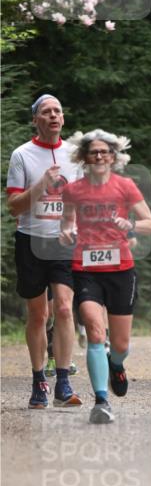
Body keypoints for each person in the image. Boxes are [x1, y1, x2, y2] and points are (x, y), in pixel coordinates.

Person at [60, 129, 151, 424]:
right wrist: (67, 234)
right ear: (85, 158)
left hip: (121, 270)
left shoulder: (125, 187)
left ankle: (116, 365)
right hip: (86, 269)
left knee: (121, 345)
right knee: (93, 328)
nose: (99, 156)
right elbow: (65, 229)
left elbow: (150, 224)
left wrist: (129, 224)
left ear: (113, 157)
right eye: (94, 152)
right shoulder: (73, 190)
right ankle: (101, 401)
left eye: (104, 152)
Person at [6, 93, 81, 409]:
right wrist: (40, 187)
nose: (53, 116)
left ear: (63, 119)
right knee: (39, 314)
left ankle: (63, 381)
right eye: (46, 112)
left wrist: (71, 223)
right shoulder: (22, 155)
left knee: (64, 308)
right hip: (31, 241)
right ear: (35, 119)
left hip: (62, 243)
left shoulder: (75, 155)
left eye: (58, 111)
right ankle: (39, 381)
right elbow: (13, 207)